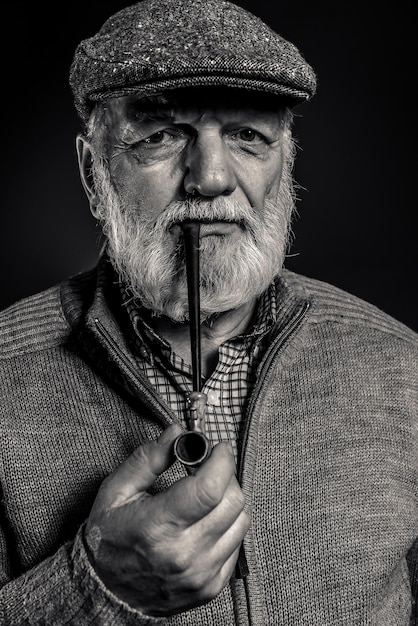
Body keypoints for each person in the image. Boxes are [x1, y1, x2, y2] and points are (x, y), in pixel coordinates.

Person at [0, 0, 416, 624]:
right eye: (161, 137)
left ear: (286, 163)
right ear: (93, 172)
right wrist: (95, 588)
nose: (212, 177)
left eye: (249, 136)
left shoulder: (401, 367)